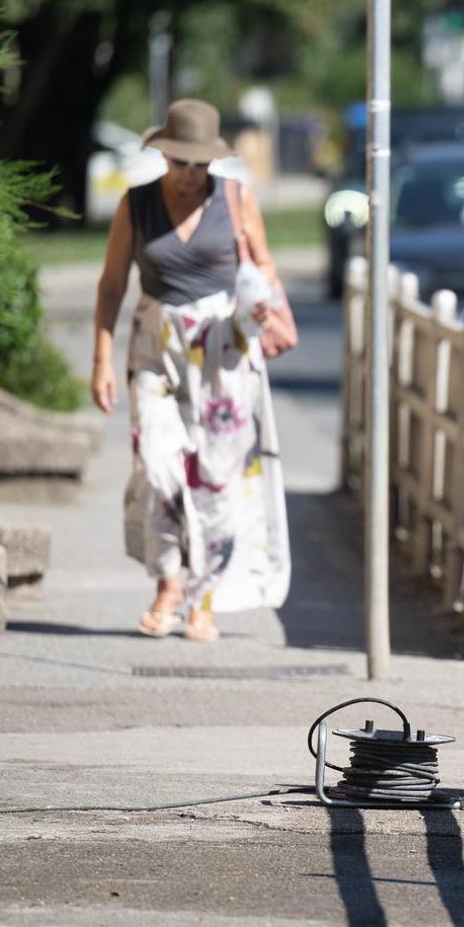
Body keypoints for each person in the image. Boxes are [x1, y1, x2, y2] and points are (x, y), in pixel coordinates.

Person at [91, 99, 292, 642]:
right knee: (157, 467)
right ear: (164, 157)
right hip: (156, 348)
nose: (190, 175)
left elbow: (265, 262)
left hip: (224, 352)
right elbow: (112, 285)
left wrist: (264, 298)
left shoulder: (235, 197)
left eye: (200, 165)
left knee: (217, 478)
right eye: (181, 163)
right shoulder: (136, 205)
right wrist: (102, 359)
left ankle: (204, 598)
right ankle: (168, 581)